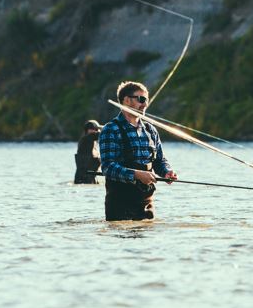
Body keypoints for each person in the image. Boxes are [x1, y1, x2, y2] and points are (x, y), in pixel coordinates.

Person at [99, 81, 178, 221]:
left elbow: (159, 160)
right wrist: (136, 174)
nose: (145, 104)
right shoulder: (110, 129)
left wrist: (167, 171)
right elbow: (107, 167)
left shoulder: (150, 130)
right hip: (120, 205)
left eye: (146, 100)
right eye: (141, 99)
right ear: (126, 100)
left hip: (147, 204)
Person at [74, 120, 103, 184]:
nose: (93, 131)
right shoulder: (86, 138)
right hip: (84, 177)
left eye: (95, 129)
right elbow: (102, 134)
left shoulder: (89, 140)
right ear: (87, 130)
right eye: (91, 129)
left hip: (89, 175)